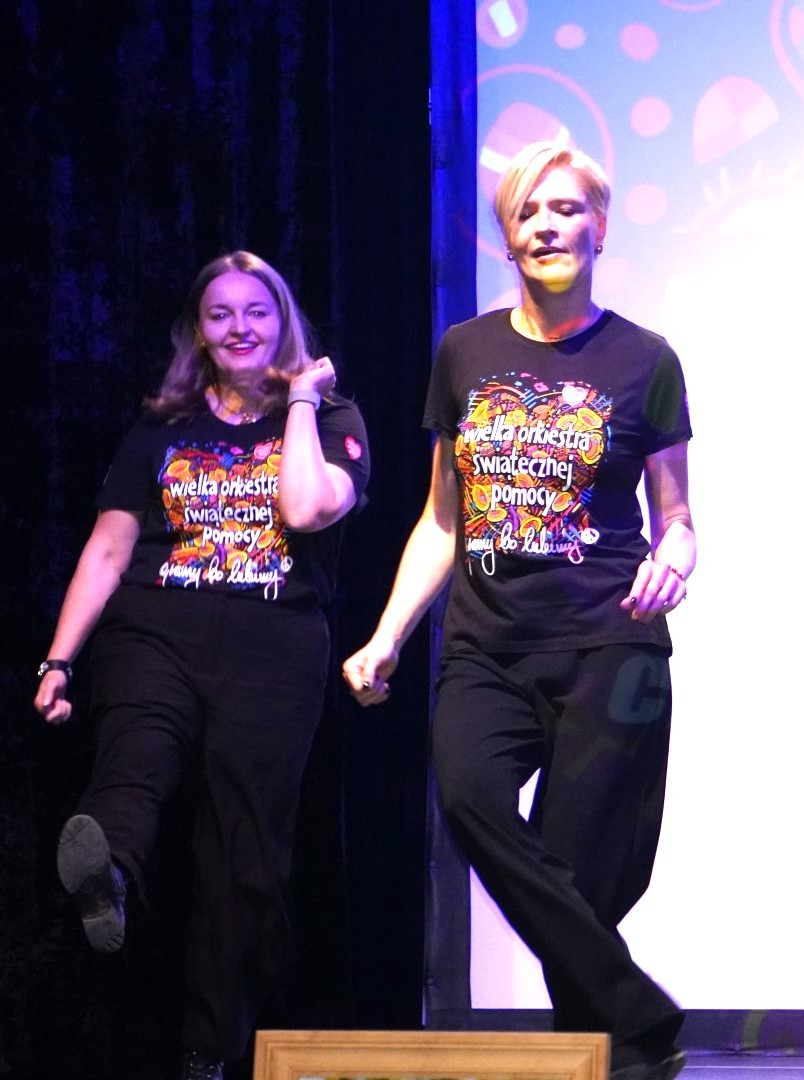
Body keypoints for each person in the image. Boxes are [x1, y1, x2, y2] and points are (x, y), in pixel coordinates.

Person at [342, 141, 694, 1080]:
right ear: (506, 237)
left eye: (566, 209)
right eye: (527, 212)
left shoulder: (646, 360)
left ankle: (610, 1054)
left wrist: (674, 560)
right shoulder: (464, 351)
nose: (547, 226)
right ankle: (638, 1016)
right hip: (486, 645)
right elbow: (441, 519)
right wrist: (386, 636)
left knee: (582, 878)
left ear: (599, 228)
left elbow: (677, 519)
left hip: (610, 643)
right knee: (469, 799)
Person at [33, 251, 371, 1080]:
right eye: (220, 314)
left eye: (257, 311)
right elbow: (108, 550)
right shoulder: (160, 427)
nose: (239, 327)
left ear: (282, 321)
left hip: (274, 644)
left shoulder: (335, 418)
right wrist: (59, 659)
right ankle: (108, 869)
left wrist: (300, 400)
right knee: (137, 753)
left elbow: (306, 508)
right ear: (199, 331)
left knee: (243, 856)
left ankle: (207, 1049)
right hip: (157, 626)